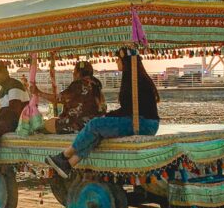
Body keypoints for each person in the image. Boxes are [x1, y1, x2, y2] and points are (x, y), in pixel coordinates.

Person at [45, 49, 160, 178]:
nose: (116, 62)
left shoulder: (134, 79)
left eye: (118, 60)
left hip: (142, 122)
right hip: (145, 122)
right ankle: (69, 164)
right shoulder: (133, 77)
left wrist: (108, 116)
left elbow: (129, 110)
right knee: (98, 133)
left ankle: (64, 155)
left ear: (125, 61)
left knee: (95, 124)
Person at [30, 61, 105, 134]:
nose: (73, 74)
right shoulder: (97, 84)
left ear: (78, 73)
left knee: (46, 125)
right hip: (97, 122)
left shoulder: (78, 84)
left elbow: (57, 99)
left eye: (74, 72)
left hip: (80, 124)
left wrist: (38, 92)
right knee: (54, 120)